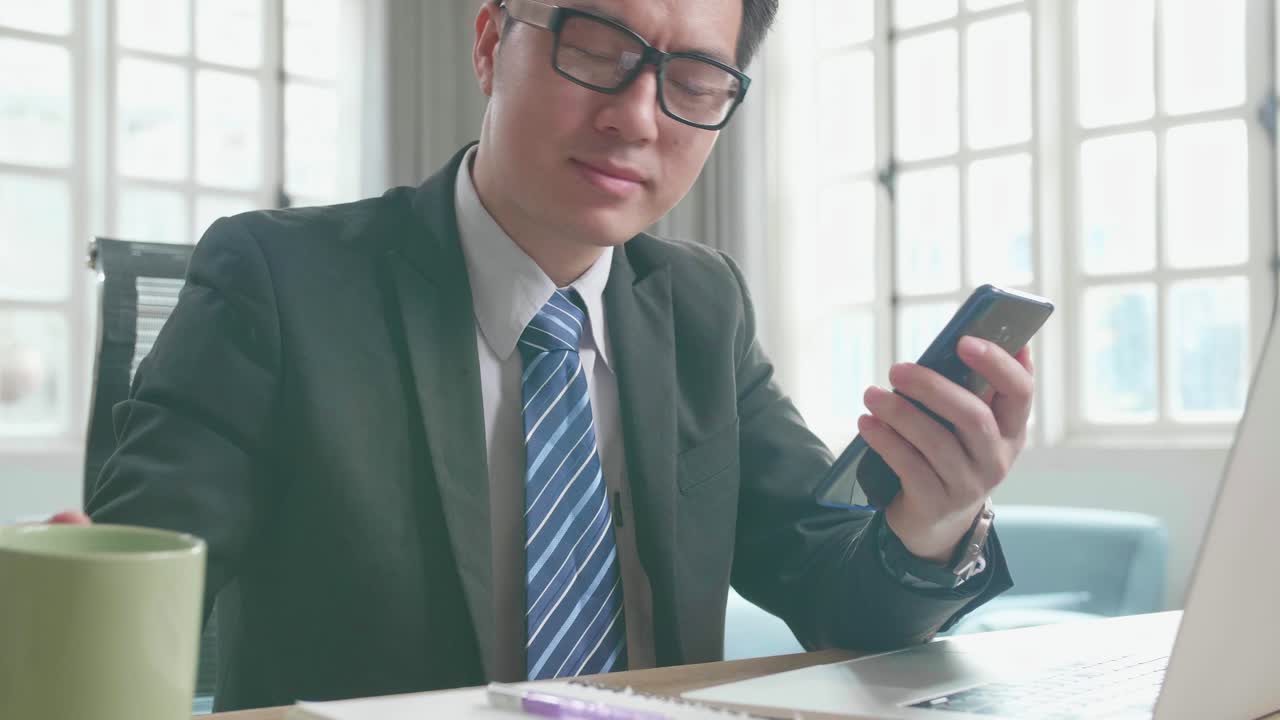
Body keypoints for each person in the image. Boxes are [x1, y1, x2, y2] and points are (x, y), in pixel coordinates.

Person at [62, 0, 1035, 712]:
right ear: (490, 42)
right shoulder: (280, 283)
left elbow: (831, 598)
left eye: (693, 82)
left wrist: (933, 516)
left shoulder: (701, 308)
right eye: (596, 49)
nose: (637, 116)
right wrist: (72, 607)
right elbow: (132, 598)